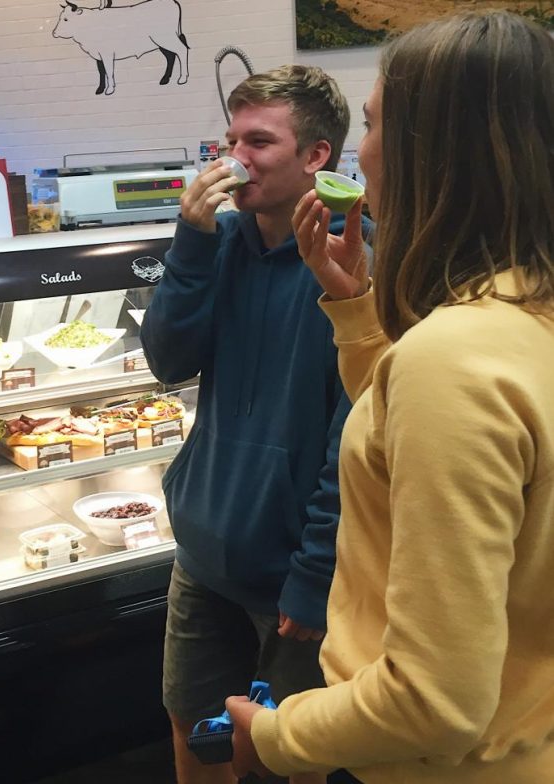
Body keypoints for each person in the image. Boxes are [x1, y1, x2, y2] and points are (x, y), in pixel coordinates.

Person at [225, 10, 554, 784]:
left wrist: (275, 733)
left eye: (370, 125)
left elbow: (432, 701)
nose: (357, 152)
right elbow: (417, 427)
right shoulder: (518, 315)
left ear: (429, 153)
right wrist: (356, 311)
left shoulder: (454, 356)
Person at [140, 65, 370, 784]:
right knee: (195, 728)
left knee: (289, 756)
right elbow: (168, 361)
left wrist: (315, 573)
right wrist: (192, 241)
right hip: (204, 554)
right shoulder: (222, 243)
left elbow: (355, 434)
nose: (233, 158)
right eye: (229, 138)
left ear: (316, 157)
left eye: (258, 141)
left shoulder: (355, 259)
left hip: (297, 576)